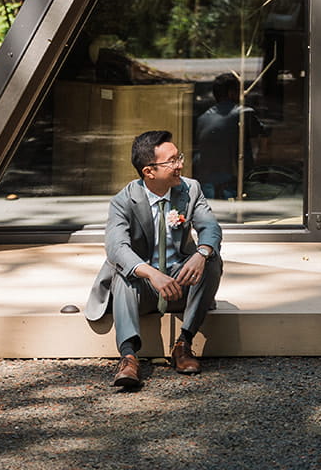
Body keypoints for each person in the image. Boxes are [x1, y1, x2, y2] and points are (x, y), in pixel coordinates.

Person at [85, 129, 223, 390]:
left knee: (211, 259)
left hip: (180, 280)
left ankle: (183, 344)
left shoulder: (190, 189)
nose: (180, 164)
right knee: (123, 271)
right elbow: (116, 247)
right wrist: (150, 273)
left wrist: (201, 253)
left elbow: (211, 228)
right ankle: (128, 357)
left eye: (178, 157)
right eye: (172, 161)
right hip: (144, 288)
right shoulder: (123, 201)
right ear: (149, 171)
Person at [194, 73, 262, 200]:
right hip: (234, 181)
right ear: (232, 93)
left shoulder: (202, 118)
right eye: (239, 91)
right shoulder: (244, 113)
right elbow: (261, 137)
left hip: (206, 180)